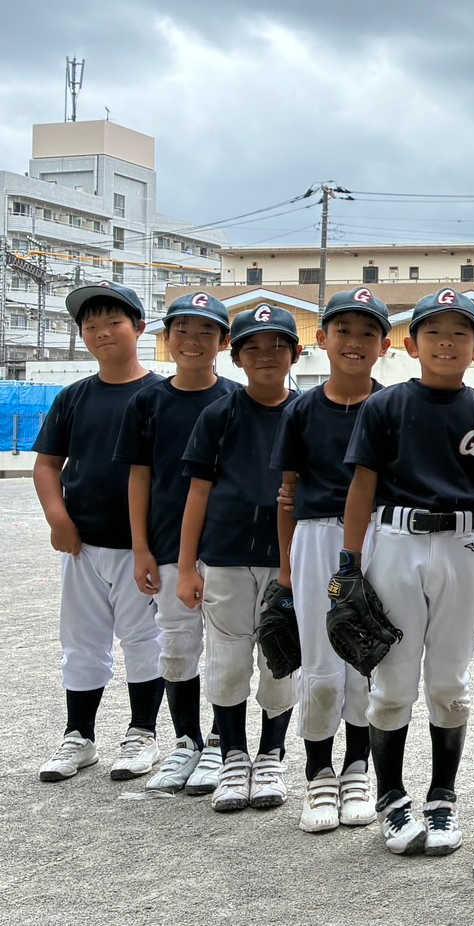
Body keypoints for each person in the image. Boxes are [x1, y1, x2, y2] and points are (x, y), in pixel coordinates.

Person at [340, 288, 474, 856]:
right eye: (433, 332)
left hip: (464, 542)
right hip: (396, 541)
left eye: (459, 333)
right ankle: (391, 796)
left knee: (450, 681)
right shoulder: (385, 406)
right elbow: (362, 487)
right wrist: (348, 563)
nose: (446, 342)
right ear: (411, 344)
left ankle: (443, 797)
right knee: (393, 680)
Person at [34, 281, 164, 784]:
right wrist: (58, 519)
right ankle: (79, 735)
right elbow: (47, 464)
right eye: (90, 325)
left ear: (140, 328)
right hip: (83, 545)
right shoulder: (74, 397)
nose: (101, 332)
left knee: (143, 640)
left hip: (143, 547)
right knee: (82, 641)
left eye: (113, 322)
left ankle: (142, 733)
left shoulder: (160, 395)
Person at [272, 288, 390, 832]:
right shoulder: (300, 410)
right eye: (343, 330)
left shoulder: (393, 405)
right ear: (321, 338)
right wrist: (286, 568)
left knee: (366, 656)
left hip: (381, 536)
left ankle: (358, 768)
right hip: (317, 536)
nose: (354, 341)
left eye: (368, 332)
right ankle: (318, 775)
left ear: (385, 344)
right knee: (320, 666)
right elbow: (287, 494)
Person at [176, 305, 300, 813]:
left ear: (296, 353)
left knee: (280, 657)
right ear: (236, 356)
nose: (266, 356)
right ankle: (232, 756)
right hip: (225, 554)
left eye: (278, 346)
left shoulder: (307, 412)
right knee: (227, 660)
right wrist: (187, 566)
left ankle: (271, 756)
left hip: (286, 558)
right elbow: (197, 493)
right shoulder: (219, 413)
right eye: (253, 347)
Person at [114, 291, 237, 795]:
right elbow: (139, 477)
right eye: (182, 330)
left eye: (206, 331)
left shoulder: (236, 400)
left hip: (228, 546)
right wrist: (140, 547)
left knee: (227, 648)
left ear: (224, 342)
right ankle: (186, 741)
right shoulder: (147, 401)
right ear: (166, 338)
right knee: (177, 643)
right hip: (166, 543)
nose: (193, 340)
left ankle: (222, 743)